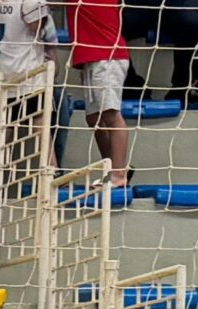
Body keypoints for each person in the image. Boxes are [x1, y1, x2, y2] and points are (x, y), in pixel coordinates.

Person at [70, 0, 131, 185]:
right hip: (93, 57)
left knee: (111, 115)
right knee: (94, 118)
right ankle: (112, 168)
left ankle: (119, 175)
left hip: (107, 56)